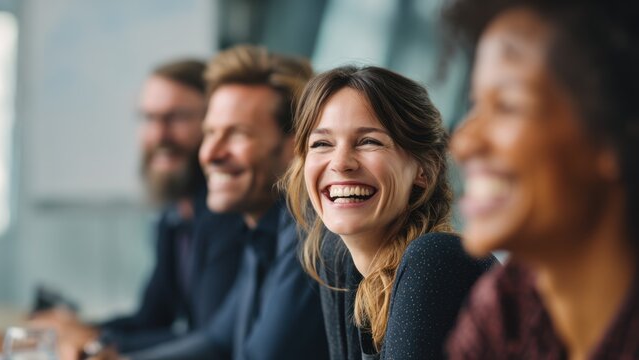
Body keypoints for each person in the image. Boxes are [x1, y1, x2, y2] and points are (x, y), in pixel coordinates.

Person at [444, 0, 639, 358]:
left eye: (507, 106)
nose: (462, 142)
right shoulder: (506, 307)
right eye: (475, 104)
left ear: (612, 135)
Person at [125, 45, 328, 360]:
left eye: (237, 134)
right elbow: (216, 342)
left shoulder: (310, 232)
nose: (211, 153)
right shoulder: (259, 230)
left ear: (295, 147)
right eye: (210, 133)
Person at [31, 60, 244, 358]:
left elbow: (210, 339)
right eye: (148, 118)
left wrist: (96, 343)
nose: (159, 135)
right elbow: (152, 318)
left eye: (177, 117)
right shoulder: (173, 218)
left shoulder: (230, 216)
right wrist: (76, 329)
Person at [282, 65, 497, 360]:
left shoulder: (436, 260)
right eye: (321, 144)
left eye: (369, 141)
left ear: (424, 169)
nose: (341, 163)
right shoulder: (340, 261)